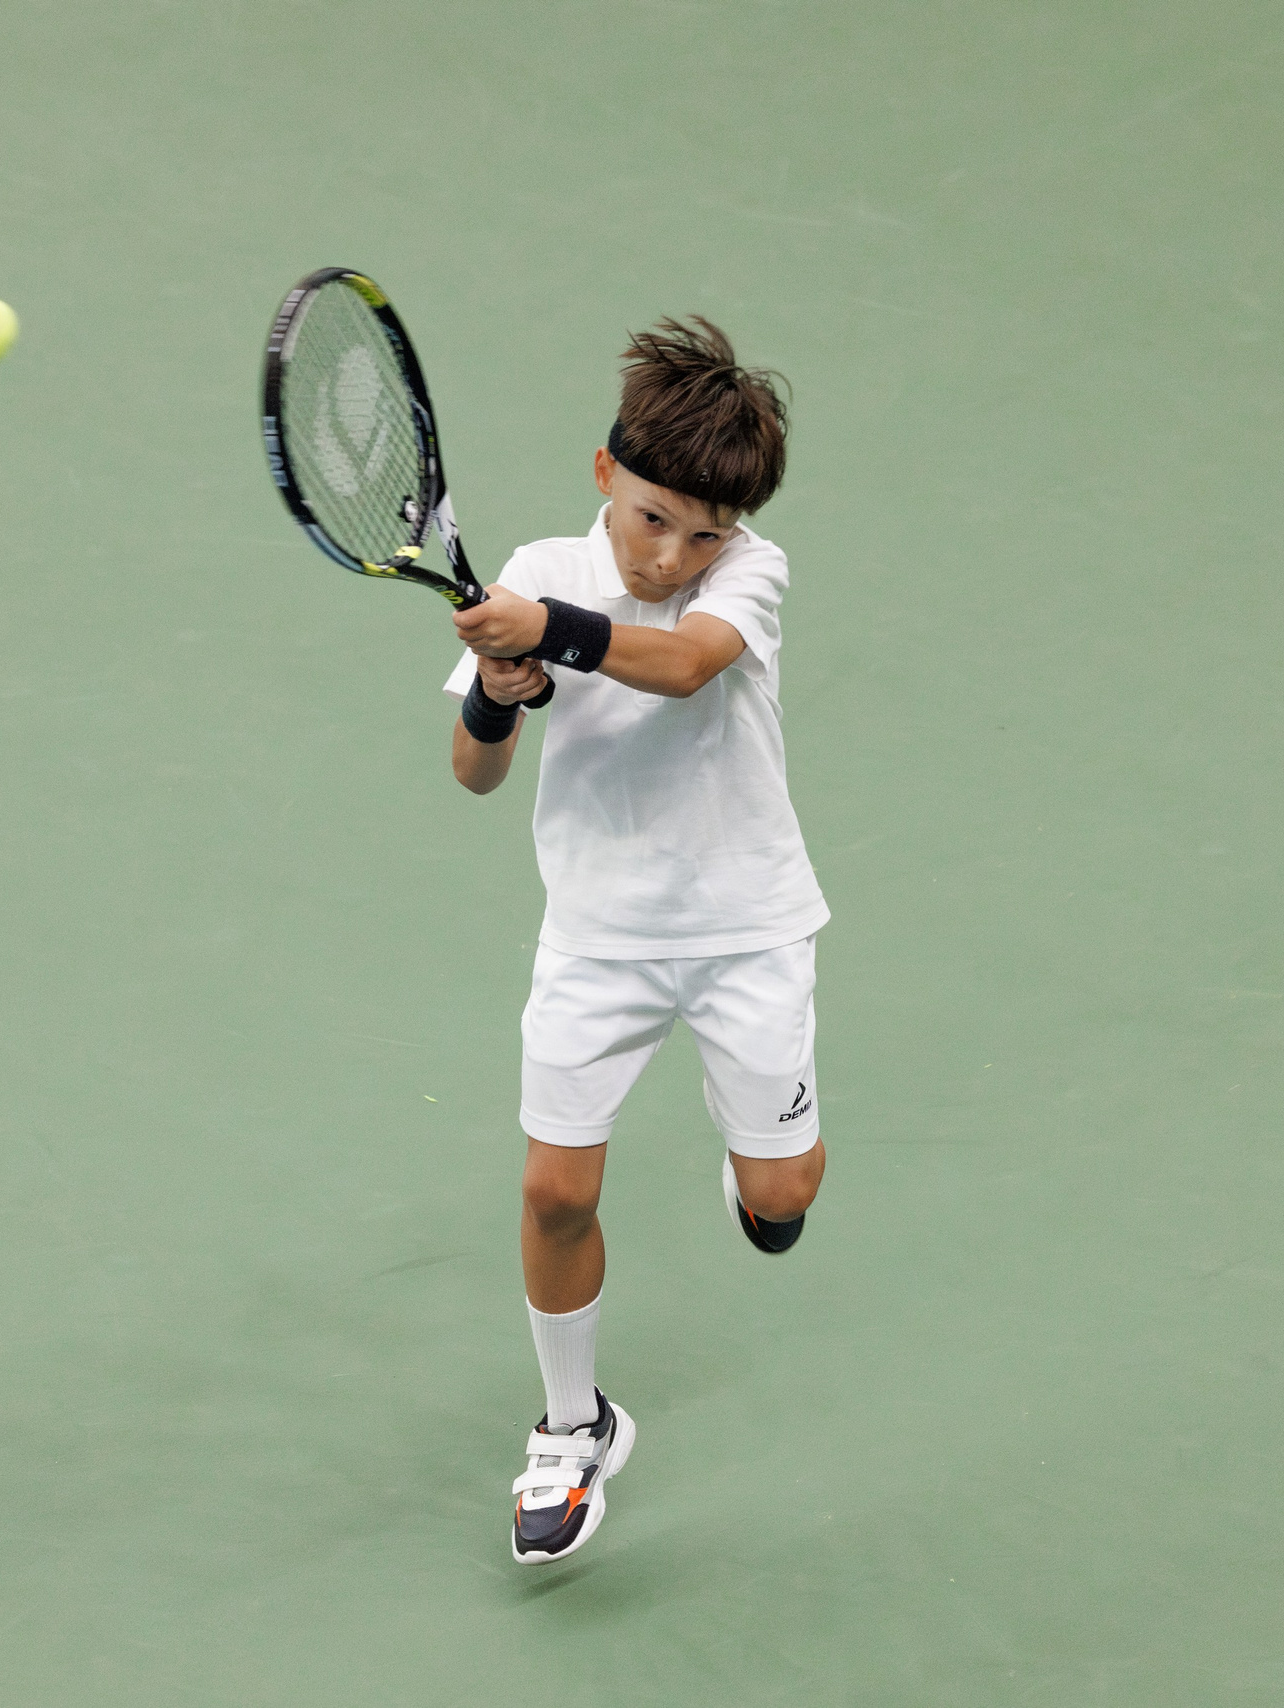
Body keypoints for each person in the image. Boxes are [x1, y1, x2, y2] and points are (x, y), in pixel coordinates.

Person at [444, 317, 830, 1564]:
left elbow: (677, 667)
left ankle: (756, 1166)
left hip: (747, 937)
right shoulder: (535, 562)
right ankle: (572, 1425)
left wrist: (543, 633)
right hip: (597, 944)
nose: (675, 555)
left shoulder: (747, 579)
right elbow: (473, 776)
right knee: (554, 1189)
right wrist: (500, 699)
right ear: (605, 472)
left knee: (782, 1204)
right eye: (655, 517)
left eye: (705, 532)